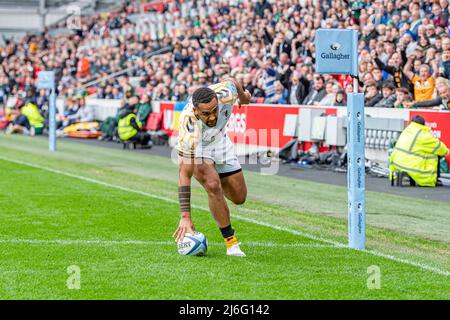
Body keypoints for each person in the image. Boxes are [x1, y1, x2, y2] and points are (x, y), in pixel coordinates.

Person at [173, 77, 251, 257]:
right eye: (206, 114)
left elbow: (232, 80)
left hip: (221, 141)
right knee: (212, 185)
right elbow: (184, 175)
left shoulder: (225, 93)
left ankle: (217, 191)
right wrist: (185, 217)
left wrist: (243, 97)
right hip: (199, 146)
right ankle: (231, 244)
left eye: (215, 110)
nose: (213, 116)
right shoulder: (188, 125)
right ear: (196, 111)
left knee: (239, 197)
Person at [390, 115, 449, 187]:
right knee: (434, 153)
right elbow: (442, 149)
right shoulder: (423, 134)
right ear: (423, 124)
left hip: (397, 164)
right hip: (412, 167)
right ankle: (435, 179)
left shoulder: (407, 130)